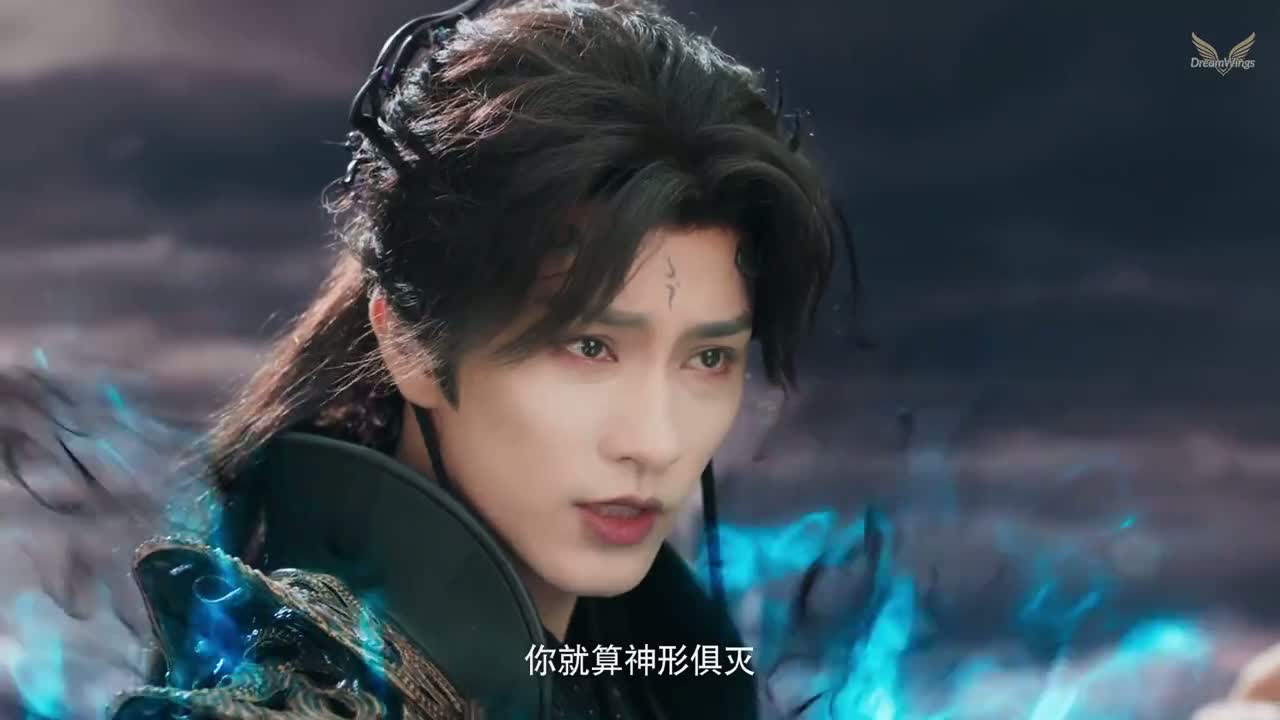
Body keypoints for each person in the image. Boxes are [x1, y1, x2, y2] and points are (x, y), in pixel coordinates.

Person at [2, 0, 857, 718]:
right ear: (410, 340)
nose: (657, 442)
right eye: (589, 346)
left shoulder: (653, 673)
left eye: (709, 358)